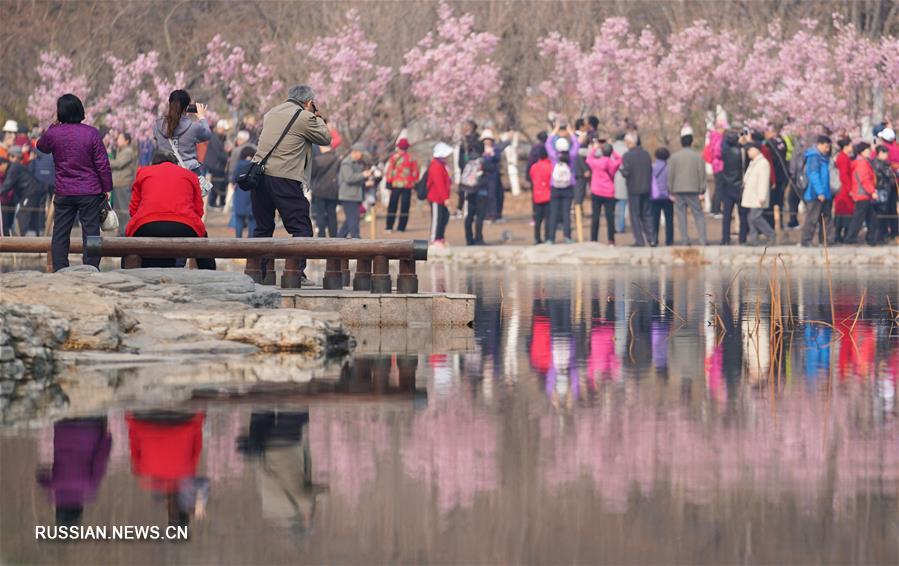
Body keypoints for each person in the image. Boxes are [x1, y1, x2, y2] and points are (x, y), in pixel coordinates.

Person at [252, 85, 331, 282]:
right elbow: (326, 138)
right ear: (309, 102)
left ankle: (257, 273)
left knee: (263, 228)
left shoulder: (271, 113)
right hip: (284, 177)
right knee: (301, 227)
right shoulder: (305, 117)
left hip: (259, 176)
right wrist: (317, 116)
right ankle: (295, 273)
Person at [37, 94, 112, 271]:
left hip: (64, 191)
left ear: (60, 112)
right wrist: (107, 187)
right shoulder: (91, 133)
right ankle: (91, 268)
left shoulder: (54, 134)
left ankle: (60, 268)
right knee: (92, 234)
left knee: (60, 233)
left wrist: (51, 127)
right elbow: (102, 163)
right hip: (89, 191)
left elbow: (41, 146)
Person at [126, 150, 215, 269]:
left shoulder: (143, 173)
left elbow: (133, 209)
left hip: (146, 224)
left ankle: (128, 273)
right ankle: (209, 275)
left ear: (153, 163)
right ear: (175, 163)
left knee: (129, 244)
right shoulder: (189, 175)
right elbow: (199, 210)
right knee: (203, 245)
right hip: (185, 225)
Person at [37, 417, 112, 526]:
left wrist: (107, 440)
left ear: (79, 510)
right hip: (63, 426)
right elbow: (40, 478)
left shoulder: (90, 487)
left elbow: (100, 460)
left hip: (91, 426)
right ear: (58, 509)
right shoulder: (54, 487)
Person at [154, 90, 210, 178]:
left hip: (164, 174)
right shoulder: (193, 127)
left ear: (170, 104)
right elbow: (207, 134)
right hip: (188, 174)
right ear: (187, 107)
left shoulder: (158, 126)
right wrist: (201, 117)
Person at [668, 128, 708, 246]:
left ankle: (685, 239)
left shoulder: (674, 157)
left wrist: (670, 189)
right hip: (693, 189)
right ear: (691, 142)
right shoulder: (698, 157)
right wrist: (702, 189)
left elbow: (670, 174)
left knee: (681, 215)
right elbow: (702, 173)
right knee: (698, 215)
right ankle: (703, 239)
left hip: (678, 189)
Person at [0, 146, 50, 235]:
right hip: (33, 191)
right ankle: (35, 238)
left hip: (30, 192)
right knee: (32, 218)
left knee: (22, 214)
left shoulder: (13, 168)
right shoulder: (14, 167)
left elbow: (7, 185)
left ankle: (26, 241)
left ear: (3, 164)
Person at [619, 132, 654, 246]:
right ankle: (652, 238)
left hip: (633, 188)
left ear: (629, 143)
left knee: (635, 215)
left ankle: (639, 240)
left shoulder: (627, 156)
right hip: (646, 187)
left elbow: (626, 172)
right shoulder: (646, 154)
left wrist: (621, 170)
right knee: (647, 214)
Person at [800, 135, 834, 247]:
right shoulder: (814, 157)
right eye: (826, 146)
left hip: (826, 193)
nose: (827, 149)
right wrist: (819, 192)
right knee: (812, 218)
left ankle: (825, 241)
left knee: (826, 218)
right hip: (815, 194)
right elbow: (813, 175)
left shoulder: (824, 157)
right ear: (819, 144)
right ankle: (806, 241)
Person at [585, 141, 621, 245]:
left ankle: (594, 238)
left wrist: (595, 148)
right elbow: (619, 159)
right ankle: (611, 239)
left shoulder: (596, 162)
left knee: (595, 216)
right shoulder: (612, 163)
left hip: (596, 191)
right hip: (609, 192)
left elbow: (588, 159)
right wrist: (612, 150)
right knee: (610, 217)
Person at [742, 142, 776, 245]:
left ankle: (771, 234)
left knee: (755, 217)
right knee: (751, 217)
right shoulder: (754, 162)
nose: (748, 152)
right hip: (752, 195)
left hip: (758, 196)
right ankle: (753, 239)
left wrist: (762, 196)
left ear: (756, 150)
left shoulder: (763, 163)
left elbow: (763, 181)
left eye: (750, 150)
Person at [383, 138, 419, 233]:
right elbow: (415, 173)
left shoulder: (394, 158)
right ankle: (401, 227)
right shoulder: (411, 158)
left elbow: (390, 171)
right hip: (407, 185)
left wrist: (389, 182)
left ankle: (389, 226)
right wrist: (414, 183)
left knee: (392, 205)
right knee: (405, 206)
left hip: (395, 185)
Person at [845, 142, 877, 245]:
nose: (870, 152)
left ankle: (871, 239)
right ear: (862, 151)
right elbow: (864, 180)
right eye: (868, 150)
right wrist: (872, 192)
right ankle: (851, 238)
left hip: (863, 195)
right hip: (863, 195)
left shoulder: (862, 162)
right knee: (860, 218)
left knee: (870, 218)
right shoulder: (862, 163)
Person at [718, 130, 747, 245]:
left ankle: (725, 239)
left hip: (727, 186)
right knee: (742, 214)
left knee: (727, 216)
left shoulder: (724, 152)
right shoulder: (741, 152)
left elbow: (723, 143)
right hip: (739, 186)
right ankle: (742, 238)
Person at [338, 143, 369, 239]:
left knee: (349, 220)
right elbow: (349, 178)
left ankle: (338, 239)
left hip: (355, 196)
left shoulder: (357, 163)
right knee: (353, 220)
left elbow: (357, 178)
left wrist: (366, 180)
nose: (362, 155)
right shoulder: (347, 163)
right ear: (355, 152)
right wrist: (363, 175)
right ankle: (356, 239)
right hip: (348, 196)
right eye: (361, 153)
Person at [109, 132, 137, 236]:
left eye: (120, 138)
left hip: (124, 184)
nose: (118, 140)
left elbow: (118, 164)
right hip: (118, 184)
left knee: (124, 211)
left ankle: (126, 232)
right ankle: (121, 232)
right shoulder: (121, 151)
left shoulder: (127, 152)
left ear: (127, 141)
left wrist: (107, 160)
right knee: (118, 211)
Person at [547, 139, 575, 244]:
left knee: (553, 213)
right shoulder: (571, 157)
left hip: (555, 187)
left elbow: (548, 144)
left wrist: (556, 129)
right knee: (566, 214)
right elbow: (576, 144)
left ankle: (551, 238)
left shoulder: (554, 157)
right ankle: (567, 236)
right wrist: (570, 132)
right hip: (568, 187)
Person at [310, 144, 340, 237]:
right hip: (333, 190)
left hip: (319, 191)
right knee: (332, 214)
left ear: (322, 148)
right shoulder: (337, 159)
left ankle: (321, 235)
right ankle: (334, 235)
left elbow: (312, 174)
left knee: (320, 214)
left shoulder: (317, 160)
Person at [427, 142, 453, 246]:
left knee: (445, 217)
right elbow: (439, 184)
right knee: (437, 218)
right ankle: (434, 239)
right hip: (436, 197)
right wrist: (445, 197)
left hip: (442, 197)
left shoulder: (442, 165)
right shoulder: (436, 166)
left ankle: (440, 237)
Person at [764, 123, 789, 229]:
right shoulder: (782, 141)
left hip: (773, 177)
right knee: (779, 203)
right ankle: (779, 224)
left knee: (771, 203)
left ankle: (770, 225)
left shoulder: (769, 143)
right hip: (782, 176)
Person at [454, 120, 481, 217]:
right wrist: (461, 166)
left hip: (473, 168)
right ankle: (459, 209)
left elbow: (478, 152)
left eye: (467, 127)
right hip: (464, 168)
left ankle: (472, 210)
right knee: (462, 190)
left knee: (473, 189)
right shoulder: (463, 140)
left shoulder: (476, 139)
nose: (465, 129)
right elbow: (460, 155)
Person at [229, 147, 257, 238]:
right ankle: (251, 239)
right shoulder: (255, 165)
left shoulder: (239, 164)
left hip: (240, 194)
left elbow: (234, 179)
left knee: (239, 219)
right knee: (252, 219)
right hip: (253, 195)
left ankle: (238, 238)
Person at [529, 145, 553, 244]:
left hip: (537, 196)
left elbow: (532, 178)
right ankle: (547, 237)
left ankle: (537, 238)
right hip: (547, 195)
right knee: (548, 218)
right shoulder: (550, 166)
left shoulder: (534, 167)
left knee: (537, 219)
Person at [650, 147, 673, 246]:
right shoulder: (669, 168)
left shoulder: (652, 167)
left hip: (654, 196)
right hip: (667, 196)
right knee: (669, 219)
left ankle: (654, 239)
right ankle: (669, 240)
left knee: (654, 219)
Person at [872, 145, 896, 243]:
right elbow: (889, 173)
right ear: (880, 153)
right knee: (882, 213)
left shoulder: (881, 163)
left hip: (884, 190)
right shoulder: (879, 163)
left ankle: (882, 235)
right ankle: (881, 236)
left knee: (883, 213)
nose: (887, 155)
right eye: (885, 153)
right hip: (881, 191)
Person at [204, 120, 230, 208]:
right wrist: (227, 158)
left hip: (218, 165)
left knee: (217, 183)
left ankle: (213, 202)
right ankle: (211, 203)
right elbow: (218, 153)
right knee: (214, 184)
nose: (224, 131)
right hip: (214, 165)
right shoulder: (214, 138)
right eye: (223, 129)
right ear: (219, 128)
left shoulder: (222, 138)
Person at [832, 138, 854, 242]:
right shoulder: (843, 158)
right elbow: (844, 175)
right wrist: (850, 188)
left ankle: (840, 234)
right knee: (845, 211)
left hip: (844, 188)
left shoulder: (842, 157)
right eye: (850, 145)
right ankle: (840, 235)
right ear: (846, 147)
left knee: (843, 211)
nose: (851, 147)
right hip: (844, 189)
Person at [612, 132, 629, 233]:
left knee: (612, 206)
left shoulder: (611, 148)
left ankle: (613, 225)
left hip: (611, 179)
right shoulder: (627, 149)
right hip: (624, 180)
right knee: (622, 205)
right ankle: (620, 226)